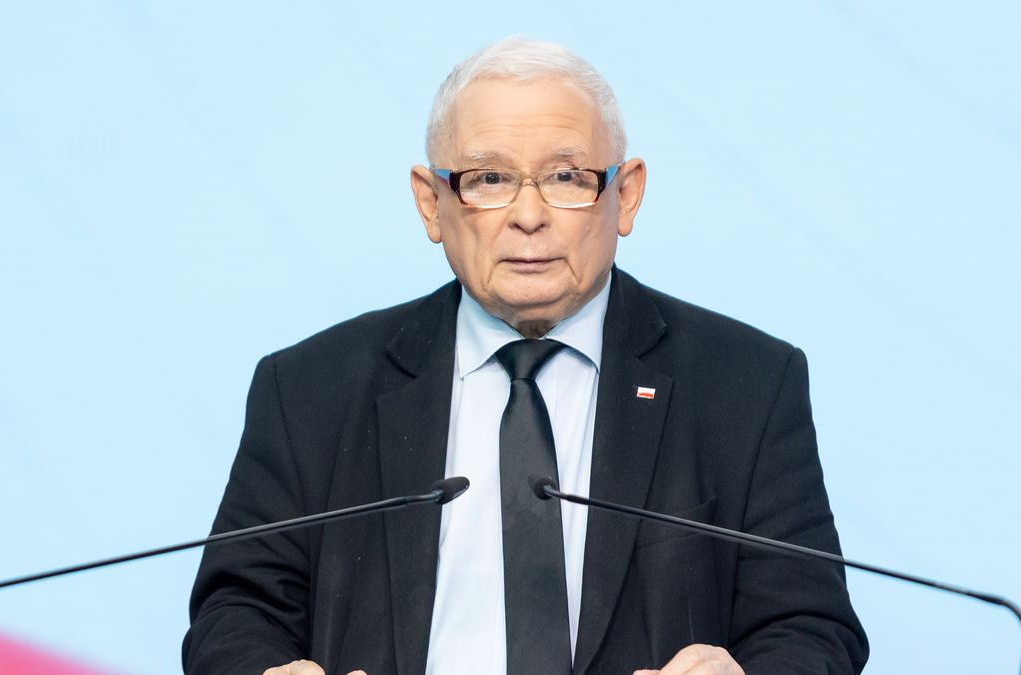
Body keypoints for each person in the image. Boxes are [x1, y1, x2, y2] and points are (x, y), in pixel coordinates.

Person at [183, 37, 868, 675]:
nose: (529, 215)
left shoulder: (745, 383)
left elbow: (810, 625)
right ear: (431, 204)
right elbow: (234, 612)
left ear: (624, 195)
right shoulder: (310, 387)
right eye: (488, 179)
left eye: (567, 176)